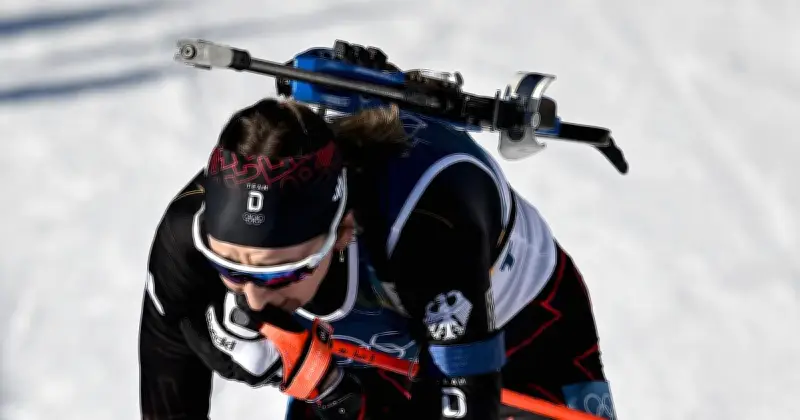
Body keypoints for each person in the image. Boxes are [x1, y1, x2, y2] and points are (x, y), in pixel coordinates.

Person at [138, 97, 618, 420]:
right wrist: (325, 387)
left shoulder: (427, 225)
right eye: (231, 270)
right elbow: (168, 351)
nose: (256, 299)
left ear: (344, 230)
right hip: (357, 352)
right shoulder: (189, 229)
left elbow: (464, 393)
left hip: (520, 333)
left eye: (283, 271)